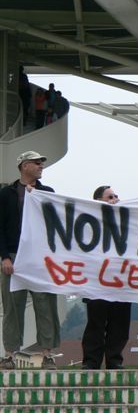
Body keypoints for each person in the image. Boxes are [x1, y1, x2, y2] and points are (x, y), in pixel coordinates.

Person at [0, 151, 60, 369]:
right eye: (36, 163)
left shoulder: (48, 193)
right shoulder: (6, 194)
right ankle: (9, 354)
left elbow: (56, 223)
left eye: (41, 163)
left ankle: (48, 354)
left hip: (41, 257)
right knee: (12, 307)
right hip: (15, 257)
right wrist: (4, 256)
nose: (41, 166)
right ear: (24, 166)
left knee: (46, 305)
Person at [81, 186, 131, 370]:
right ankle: (91, 361)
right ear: (98, 201)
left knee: (120, 323)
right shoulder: (88, 223)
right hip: (97, 280)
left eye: (117, 196)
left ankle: (114, 360)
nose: (115, 199)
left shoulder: (128, 221)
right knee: (96, 322)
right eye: (110, 196)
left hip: (122, 280)